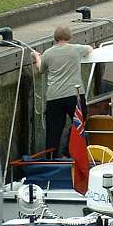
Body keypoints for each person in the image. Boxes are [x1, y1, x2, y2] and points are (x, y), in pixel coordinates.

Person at [32, 26, 93, 156]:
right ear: (69, 37)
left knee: (54, 130)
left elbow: (40, 69)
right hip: (74, 94)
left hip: (54, 96)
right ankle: (70, 151)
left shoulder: (48, 53)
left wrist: (37, 57)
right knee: (79, 124)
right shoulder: (76, 49)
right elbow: (89, 49)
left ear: (55, 38)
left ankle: (51, 158)